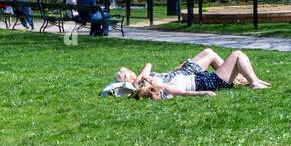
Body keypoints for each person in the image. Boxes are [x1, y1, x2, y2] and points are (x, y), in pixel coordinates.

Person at [116, 47, 271, 98]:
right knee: (236, 54)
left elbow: (149, 65)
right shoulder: (141, 84)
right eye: (129, 73)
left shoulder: (148, 81)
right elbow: (183, 93)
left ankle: (254, 80)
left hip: (197, 78)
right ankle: (253, 82)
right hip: (202, 80)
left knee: (218, 53)